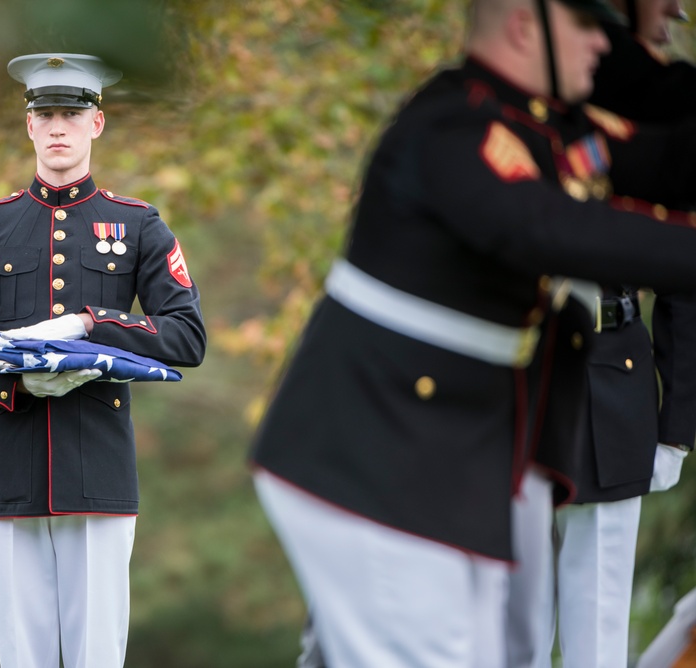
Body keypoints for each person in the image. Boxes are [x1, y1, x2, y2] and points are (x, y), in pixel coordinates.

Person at [249, 0, 696, 665]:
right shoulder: (455, 125)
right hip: (376, 461)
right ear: (524, 24)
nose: (607, 48)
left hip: (455, 460)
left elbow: (667, 157)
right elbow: (551, 230)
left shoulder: (544, 128)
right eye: (588, 27)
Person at [0, 53, 206, 668]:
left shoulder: (136, 226)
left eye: (70, 115)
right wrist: (16, 385)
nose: (57, 127)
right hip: (11, 470)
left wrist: (91, 327)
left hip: (99, 469)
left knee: (96, 656)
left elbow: (187, 336)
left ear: (96, 124)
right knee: (21, 656)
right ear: (27, 126)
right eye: (44, 114)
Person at [506, 2, 696, 666]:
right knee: (514, 628)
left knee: (598, 628)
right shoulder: (511, 109)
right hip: (519, 378)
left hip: (614, 380)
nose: (676, 10)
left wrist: (676, 425)